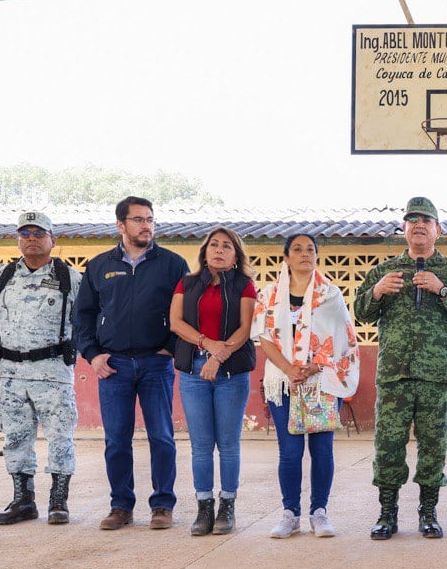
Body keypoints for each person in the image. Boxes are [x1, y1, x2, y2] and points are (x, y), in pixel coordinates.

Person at [353, 196, 447, 540]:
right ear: (404, 229)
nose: (418, 224)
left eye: (426, 220)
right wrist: (376, 292)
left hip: (436, 375)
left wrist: (442, 290)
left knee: (433, 445)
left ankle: (428, 512)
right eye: (412, 220)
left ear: (438, 230)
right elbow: (361, 312)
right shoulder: (383, 271)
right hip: (394, 373)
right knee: (388, 445)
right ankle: (387, 513)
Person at [74, 196, 189, 531]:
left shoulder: (172, 264)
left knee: (162, 438)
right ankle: (121, 506)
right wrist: (93, 355)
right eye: (138, 219)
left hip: (156, 364)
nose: (146, 226)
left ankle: (162, 505)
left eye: (150, 219)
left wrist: (170, 347)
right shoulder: (98, 266)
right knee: (116, 441)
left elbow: (185, 312)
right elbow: (83, 318)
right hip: (114, 367)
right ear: (121, 225)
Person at [254, 232, 360, 539]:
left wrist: (314, 366)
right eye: (297, 249)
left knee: (322, 449)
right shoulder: (269, 295)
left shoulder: (330, 294)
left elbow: (343, 337)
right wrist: (289, 369)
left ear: (316, 256)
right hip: (283, 382)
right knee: (289, 451)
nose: (304, 254)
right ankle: (290, 514)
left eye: (310, 249)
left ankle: (319, 513)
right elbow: (264, 337)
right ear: (286, 257)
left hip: (322, 380)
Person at [0, 211, 82, 526]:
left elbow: (81, 325)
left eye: (38, 233)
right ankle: (23, 501)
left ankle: (58, 501)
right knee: (15, 437)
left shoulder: (71, 278)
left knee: (60, 437)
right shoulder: (2, 276)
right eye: (25, 234)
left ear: (53, 241)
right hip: (12, 374)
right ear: (18, 240)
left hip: (52, 372)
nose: (31, 239)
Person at [169, 227, 257, 536]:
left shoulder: (244, 286)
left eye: (227, 246)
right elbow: (176, 323)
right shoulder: (187, 283)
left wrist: (218, 357)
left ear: (236, 256)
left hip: (231, 374)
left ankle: (227, 506)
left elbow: (245, 328)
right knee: (201, 445)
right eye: (214, 245)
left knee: (229, 444)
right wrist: (207, 345)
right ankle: (204, 507)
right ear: (205, 252)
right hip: (193, 372)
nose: (219, 250)